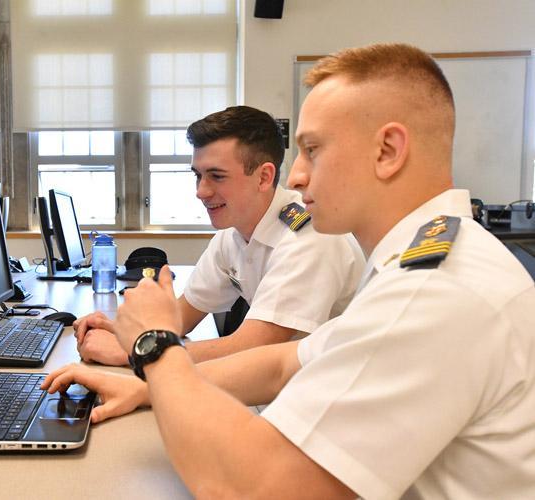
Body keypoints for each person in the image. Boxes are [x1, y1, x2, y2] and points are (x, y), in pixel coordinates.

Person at [42, 43, 535, 499]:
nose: (296, 175)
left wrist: (153, 347)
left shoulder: (433, 290)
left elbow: (256, 487)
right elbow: (284, 363)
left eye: (313, 149)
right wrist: (150, 386)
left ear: (388, 151)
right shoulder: (420, 260)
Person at [74, 105, 365, 365]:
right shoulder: (234, 232)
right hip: (273, 392)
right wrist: (121, 328)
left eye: (217, 176)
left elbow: (255, 344)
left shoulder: (309, 236)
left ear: (264, 177)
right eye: (198, 175)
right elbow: (182, 317)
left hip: (325, 406)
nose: (201, 191)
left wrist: (136, 353)